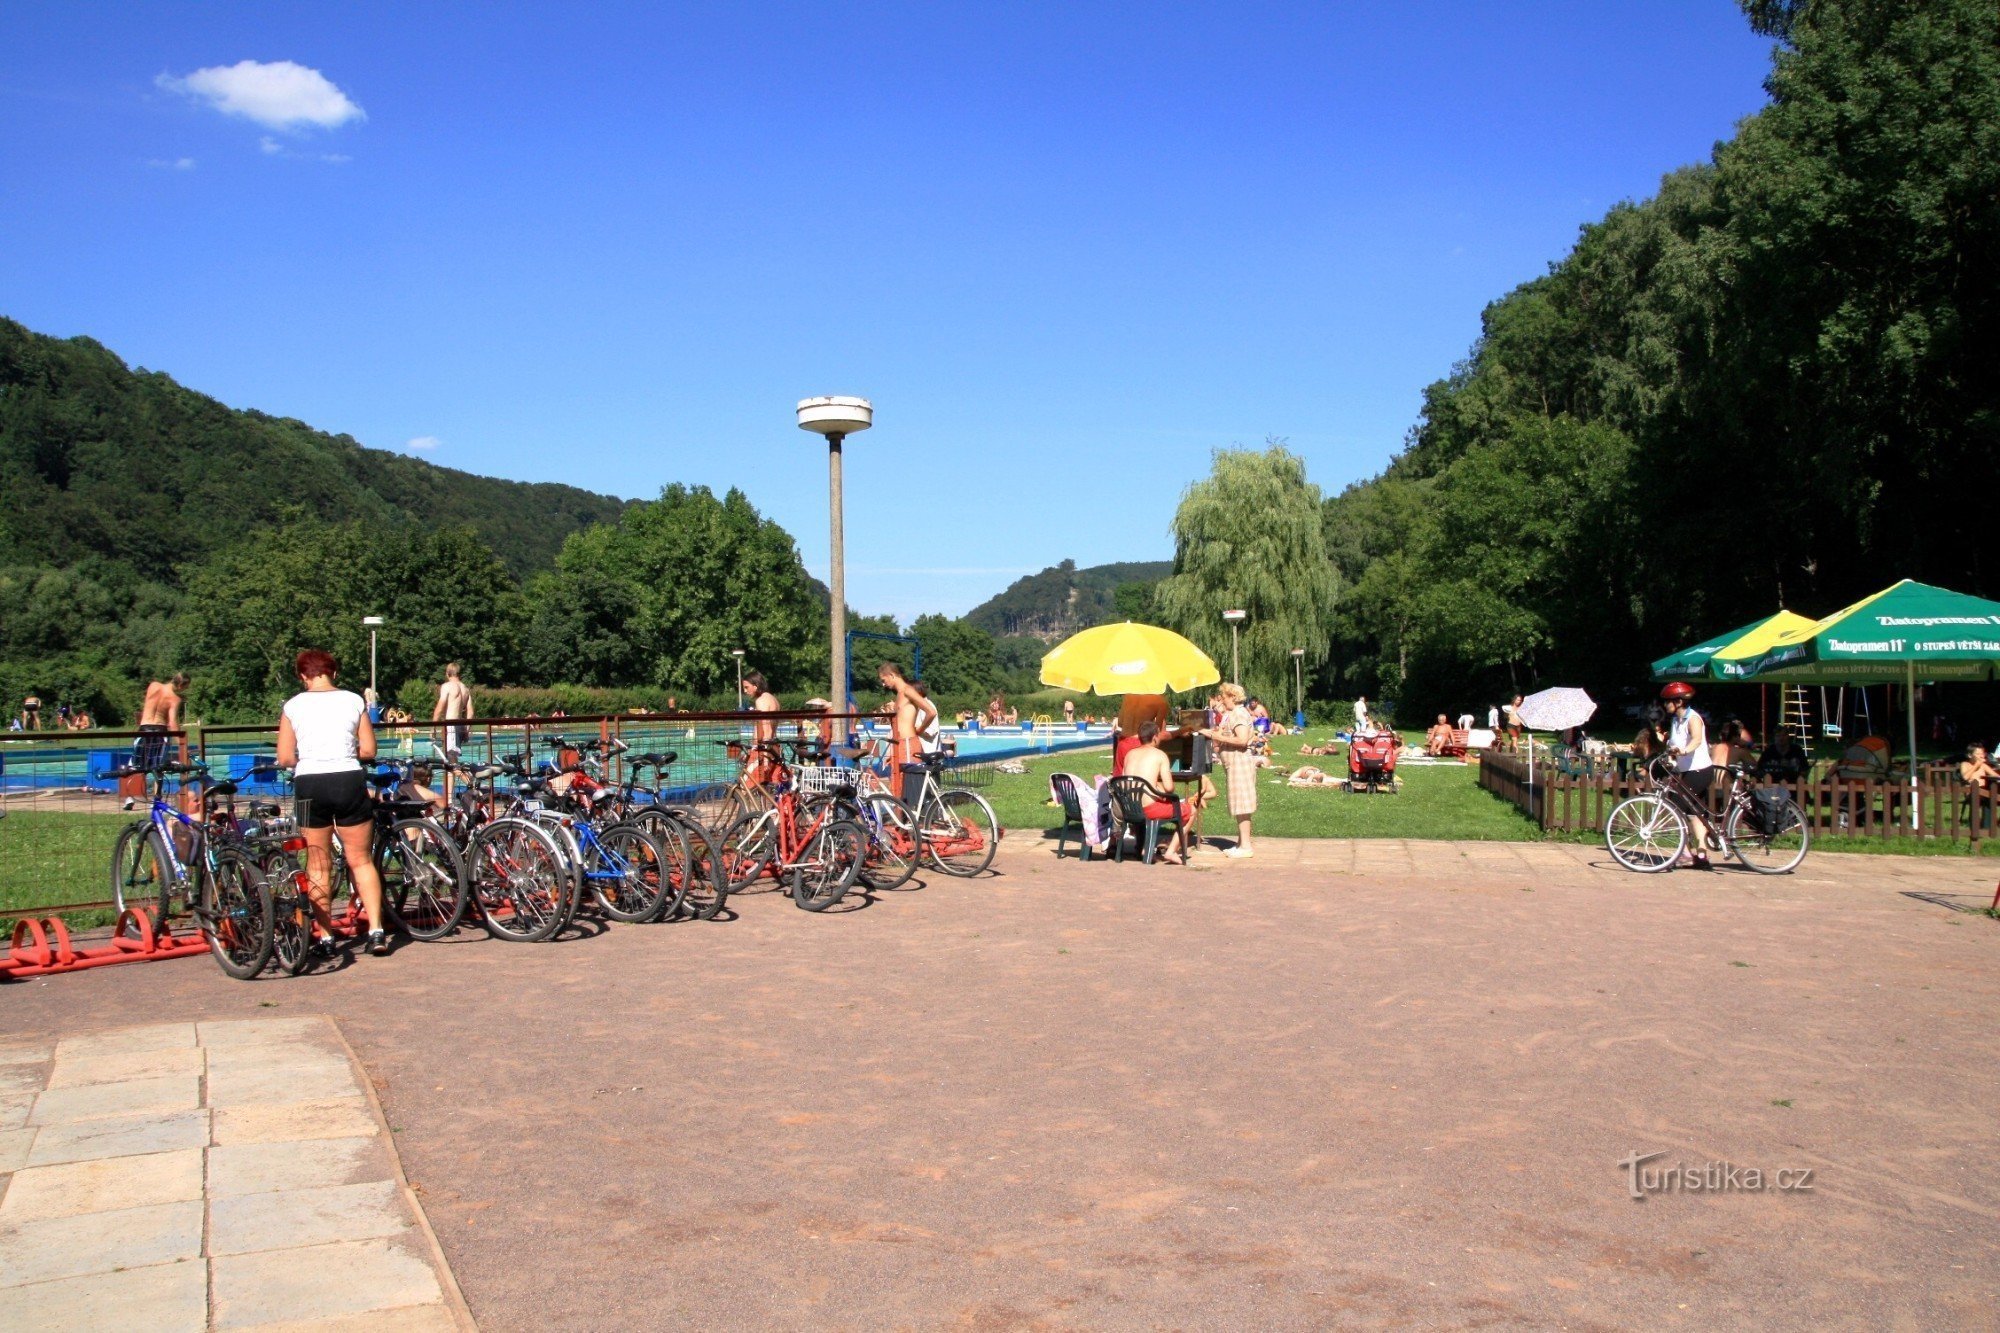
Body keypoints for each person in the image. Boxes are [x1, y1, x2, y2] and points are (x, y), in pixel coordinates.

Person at [276, 649, 391, 956]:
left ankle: (326, 937)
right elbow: (368, 749)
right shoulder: (353, 700)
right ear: (334, 673)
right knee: (361, 860)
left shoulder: (293, 706)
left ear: (303, 676)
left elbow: (285, 757)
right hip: (348, 780)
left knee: (317, 864)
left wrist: (311, 757)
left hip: (310, 783)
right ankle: (377, 931)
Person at [1122, 719, 1196, 864]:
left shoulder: (1130, 754)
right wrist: (1159, 787)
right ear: (1155, 737)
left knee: (1157, 803)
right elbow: (1169, 788)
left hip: (1130, 808)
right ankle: (1172, 851)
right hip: (1149, 810)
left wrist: (1154, 786)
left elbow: (1126, 781)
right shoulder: (1159, 755)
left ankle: (1145, 848)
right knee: (1191, 810)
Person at [1661, 681, 1715, 869]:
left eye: (1668, 701)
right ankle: (1701, 853)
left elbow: (1697, 739)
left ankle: (1683, 852)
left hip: (1699, 770)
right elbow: (1675, 742)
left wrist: (1684, 751)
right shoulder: (1676, 720)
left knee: (1676, 806)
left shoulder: (1693, 718)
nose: (1665, 704)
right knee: (1693, 812)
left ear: (1679, 701)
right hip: (1686, 770)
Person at [1204, 682, 1260, 858]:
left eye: (1224, 697)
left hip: (1240, 763)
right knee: (1238, 802)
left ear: (1233, 697)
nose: (1222, 700)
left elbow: (1242, 740)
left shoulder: (1239, 713)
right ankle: (1241, 842)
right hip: (1233, 763)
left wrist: (1213, 735)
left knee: (1243, 803)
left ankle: (1246, 846)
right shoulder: (1231, 714)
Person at [878, 661, 937, 801]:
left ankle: (915, 818)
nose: (883, 684)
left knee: (910, 785)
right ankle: (904, 818)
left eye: (883, 680)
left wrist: (920, 730)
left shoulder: (907, 690)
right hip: (900, 744)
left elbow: (931, 711)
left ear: (891, 675)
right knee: (898, 784)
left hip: (908, 744)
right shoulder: (899, 694)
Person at [134, 673, 188, 772]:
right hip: (161, 731)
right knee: (159, 769)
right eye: (185, 688)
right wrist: (182, 744)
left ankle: (140, 787)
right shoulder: (175, 699)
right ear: (180, 686)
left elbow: (146, 704)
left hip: (144, 729)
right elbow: (172, 723)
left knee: (138, 767)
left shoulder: (153, 686)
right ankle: (157, 788)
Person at [432, 664, 473, 760]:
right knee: (451, 759)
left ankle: (466, 776)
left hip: (451, 725)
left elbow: (440, 708)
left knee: (451, 760)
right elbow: (470, 712)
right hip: (461, 725)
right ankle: (459, 775)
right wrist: (466, 730)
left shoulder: (447, 686)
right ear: (459, 674)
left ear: (447, 674)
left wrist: (433, 727)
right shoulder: (465, 689)